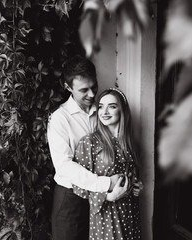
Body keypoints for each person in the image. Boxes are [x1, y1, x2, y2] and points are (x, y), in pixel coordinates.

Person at [47, 55, 122, 240]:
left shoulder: (103, 112)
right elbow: (64, 165)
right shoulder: (60, 119)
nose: (91, 94)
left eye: (94, 87)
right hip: (70, 201)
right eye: (84, 90)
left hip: (102, 200)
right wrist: (105, 184)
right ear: (68, 87)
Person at [72, 88, 143, 240]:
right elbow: (78, 185)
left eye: (112, 106)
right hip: (106, 215)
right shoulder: (90, 142)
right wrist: (108, 196)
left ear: (122, 110)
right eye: (101, 106)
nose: (105, 111)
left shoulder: (131, 142)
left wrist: (137, 185)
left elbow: (133, 174)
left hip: (130, 212)